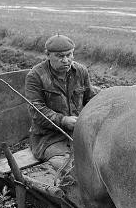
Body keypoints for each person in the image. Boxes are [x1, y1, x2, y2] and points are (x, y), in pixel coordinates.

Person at [24, 34, 99, 169]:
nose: (65, 60)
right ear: (48, 55)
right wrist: (63, 120)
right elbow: (37, 111)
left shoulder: (81, 71)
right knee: (68, 167)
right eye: (59, 56)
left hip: (79, 132)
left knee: (102, 160)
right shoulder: (36, 76)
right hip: (48, 138)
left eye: (69, 55)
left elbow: (91, 98)